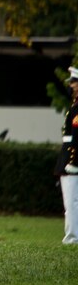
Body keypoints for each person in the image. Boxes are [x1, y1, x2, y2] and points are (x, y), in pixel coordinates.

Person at [56, 67, 78, 245]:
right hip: (70, 156)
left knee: (71, 202)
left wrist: (73, 160)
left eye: (73, 82)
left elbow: (76, 137)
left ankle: (72, 238)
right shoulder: (74, 105)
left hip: (73, 159)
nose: (71, 85)